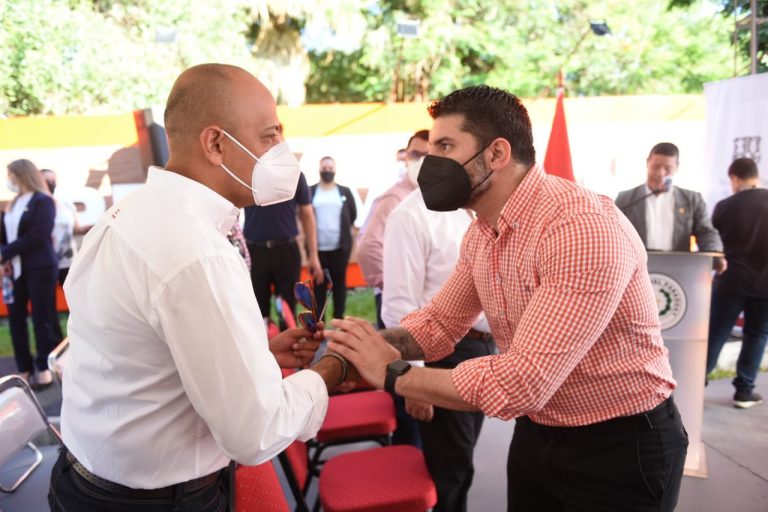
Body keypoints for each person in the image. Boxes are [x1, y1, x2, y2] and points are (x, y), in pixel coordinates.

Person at [326, 85, 688, 512]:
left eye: (445, 146)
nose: (429, 162)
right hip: (540, 431)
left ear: (497, 154)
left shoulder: (580, 227)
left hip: (621, 446)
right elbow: (440, 324)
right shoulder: (483, 231)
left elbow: (522, 381)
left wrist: (393, 374)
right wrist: (361, 346)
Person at [48, 63, 352, 512]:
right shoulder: (197, 252)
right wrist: (333, 369)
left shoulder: (127, 215)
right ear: (215, 144)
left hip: (86, 482)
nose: (282, 152)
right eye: (269, 136)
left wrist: (255, 355)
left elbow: (145, 357)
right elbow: (255, 431)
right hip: (154, 502)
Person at [382, 185, 495, 511]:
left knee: (463, 456)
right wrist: (413, 381)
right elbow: (399, 307)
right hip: (441, 354)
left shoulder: (470, 210)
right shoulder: (410, 215)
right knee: (451, 467)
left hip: (481, 348)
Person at [242, 125, 323, 327]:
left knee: (287, 310)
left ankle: (288, 345)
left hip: (286, 251)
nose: (272, 144)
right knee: (256, 312)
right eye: (266, 138)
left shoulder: (294, 175)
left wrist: (313, 255)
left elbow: (307, 214)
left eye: (276, 138)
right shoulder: (246, 174)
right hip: (255, 251)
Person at [705, 157, 768, 409]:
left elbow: (712, 243)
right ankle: (744, 390)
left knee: (717, 333)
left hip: (730, 281)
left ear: (734, 178)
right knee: (757, 334)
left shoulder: (725, 206)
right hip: (765, 284)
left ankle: (697, 381)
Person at [356, 130, 429, 328]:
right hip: (399, 304)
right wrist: (394, 285)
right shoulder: (395, 199)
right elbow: (368, 248)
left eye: (428, 155)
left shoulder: (432, 196)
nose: (421, 161)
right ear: (406, 157)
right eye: (415, 154)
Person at [1, 159, 59, 390]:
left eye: (11, 175)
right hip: (14, 270)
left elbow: (37, 235)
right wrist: (5, 258)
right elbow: (6, 234)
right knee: (16, 319)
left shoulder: (43, 201)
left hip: (39, 267)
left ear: (21, 175)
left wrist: (4, 253)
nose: (9, 180)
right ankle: (23, 368)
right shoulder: (13, 203)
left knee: (41, 318)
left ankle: (43, 368)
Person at [615, 142, 723, 254]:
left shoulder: (692, 200)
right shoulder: (625, 199)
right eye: (656, 167)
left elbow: (706, 233)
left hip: (677, 263)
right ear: (647, 163)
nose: (661, 173)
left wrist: (714, 253)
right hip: (637, 262)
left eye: (668, 168)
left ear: (677, 167)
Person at [310, 156, 357, 320]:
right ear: (319, 169)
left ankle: (338, 320)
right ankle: (319, 322)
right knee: (318, 286)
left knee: (339, 285)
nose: (327, 171)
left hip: (340, 248)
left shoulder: (344, 192)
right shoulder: (311, 191)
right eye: (324, 168)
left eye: (330, 168)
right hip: (317, 250)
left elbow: (352, 214)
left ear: (335, 170)